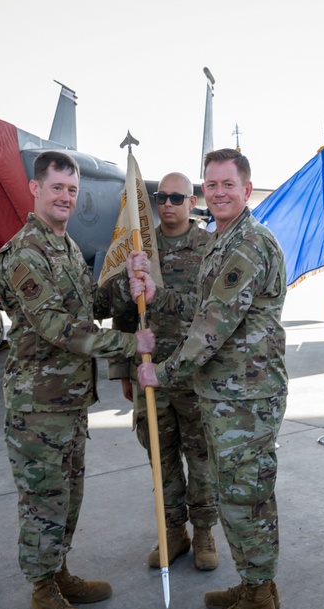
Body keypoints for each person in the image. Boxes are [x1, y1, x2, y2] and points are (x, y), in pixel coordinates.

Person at [0, 150, 155, 609]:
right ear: (34, 190)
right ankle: (42, 594)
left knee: (68, 497)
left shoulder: (64, 247)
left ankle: (57, 572)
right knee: (43, 500)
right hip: (37, 408)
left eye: (71, 190)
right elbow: (59, 327)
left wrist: (127, 284)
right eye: (57, 188)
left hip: (68, 403)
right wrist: (129, 343)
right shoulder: (25, 254)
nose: (66, 197)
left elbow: (91, 303)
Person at [129, 149, 288, 609]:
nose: (219, 192)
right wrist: (160, 296)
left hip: (246, 397)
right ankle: (255, 586)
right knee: (238, 493)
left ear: (247, 189)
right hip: (226, 395)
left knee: (245, 498)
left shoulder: (248, 245)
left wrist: (165, 372)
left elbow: (211, 328)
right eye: (211, 184)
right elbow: (204, 305)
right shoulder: (224, 241)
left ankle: (258, 600)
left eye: (227, 184)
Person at [108, 172, 218, 571]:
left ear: (192, 202)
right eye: (161, 196)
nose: (168, 203)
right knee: (161, 455)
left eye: (177, 197)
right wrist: (123, 370)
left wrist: (164, 298)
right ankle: (174, 532)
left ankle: (204, 530)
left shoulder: (209, 247)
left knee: (201, 455)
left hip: (193, 374)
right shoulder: (139, 248)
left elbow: (213, 311)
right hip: (149, 375)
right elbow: (121, 315)